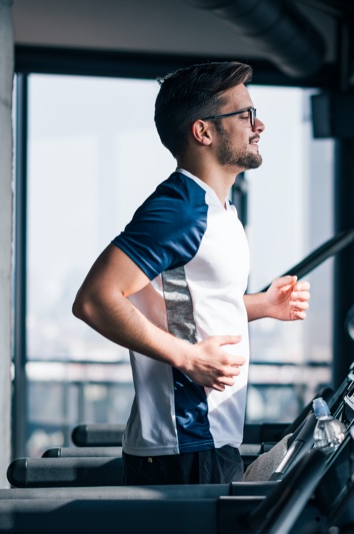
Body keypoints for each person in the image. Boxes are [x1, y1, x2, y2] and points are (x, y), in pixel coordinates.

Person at [72, 61, 311, 486]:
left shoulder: (220, 211)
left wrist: (261, 305)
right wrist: (187, 357)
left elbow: (188, 305)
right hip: (184, 440)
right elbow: (96, 298)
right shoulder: (180, 209)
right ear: (203, 132)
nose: (260, 126)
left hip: (206, 438)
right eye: (246, 115)